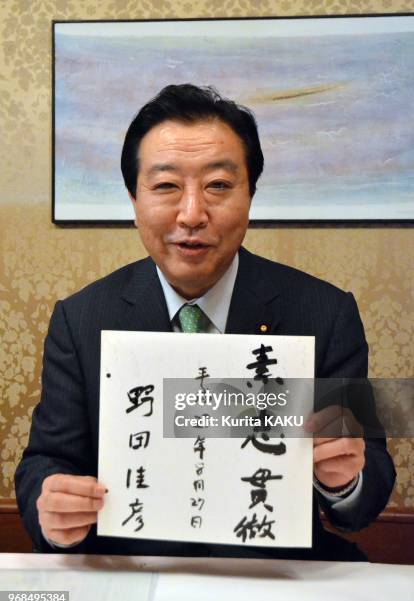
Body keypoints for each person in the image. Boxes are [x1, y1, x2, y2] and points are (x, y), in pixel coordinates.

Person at [15, 84, 395, 559]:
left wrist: (345, 481)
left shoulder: (323, 313)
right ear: (134, 197)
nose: (192, 214)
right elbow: (47, 462)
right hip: (132, 571)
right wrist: (51, 507)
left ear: (251, 195)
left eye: (218, 185)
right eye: (166, 186)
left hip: (276, 578)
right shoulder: (82, 318)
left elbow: (369, 482)